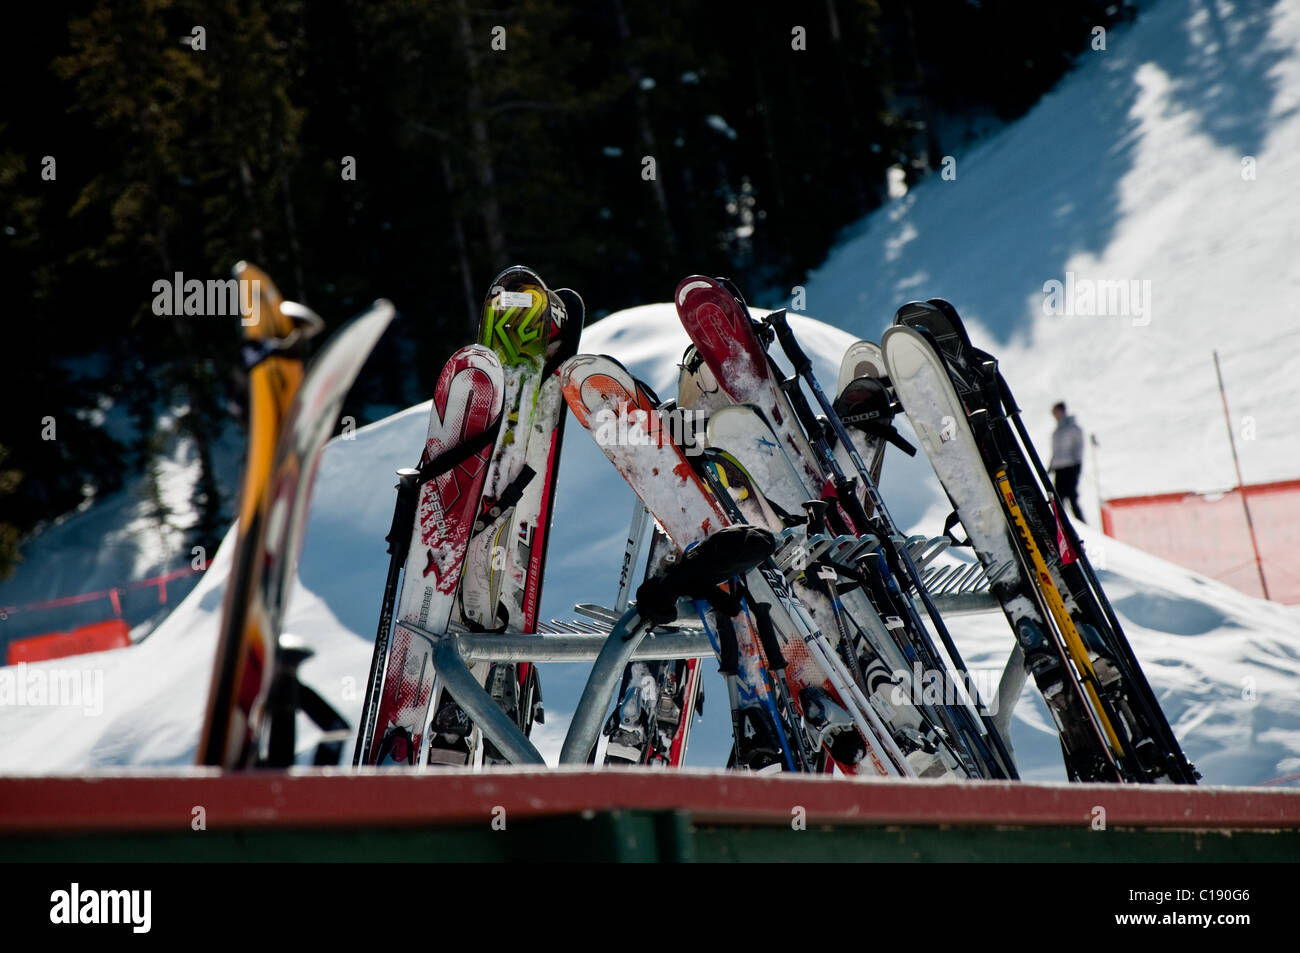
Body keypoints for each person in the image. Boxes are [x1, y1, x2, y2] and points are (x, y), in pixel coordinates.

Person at [1048, 401, 1085, 522]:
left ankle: (1081, 524)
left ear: (1062, 411)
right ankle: (1060, 522)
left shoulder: (1072, 428)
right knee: (1058, 498)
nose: (1054, 415)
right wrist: (1050, 467)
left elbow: (1079, 446)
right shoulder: (1057, 431)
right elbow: (1056, 451)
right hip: (1059, 468)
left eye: (1056, 411)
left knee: (1072, 497)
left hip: (1070, 467)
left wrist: (1077, 465)